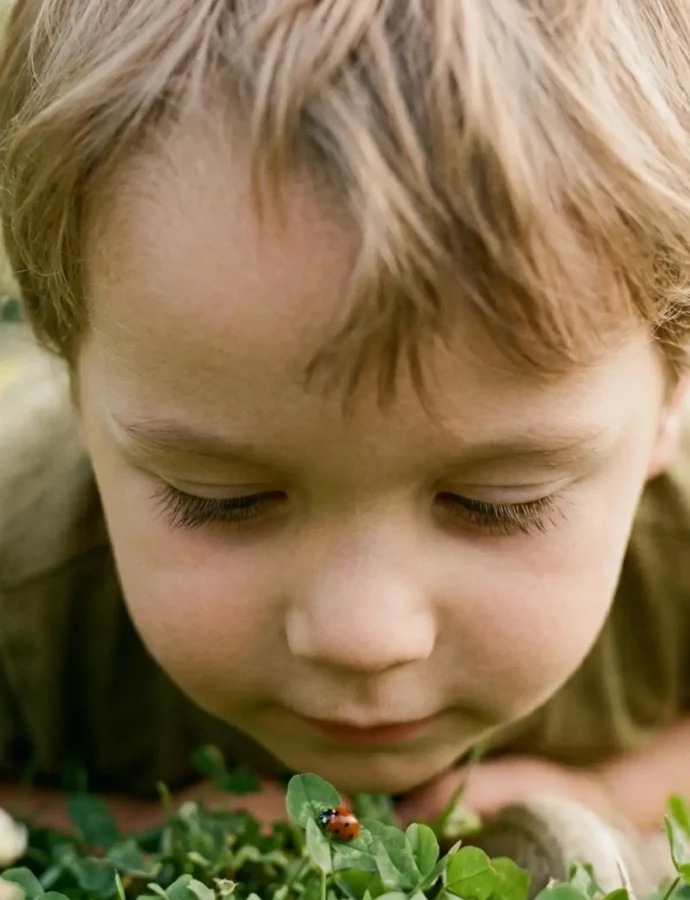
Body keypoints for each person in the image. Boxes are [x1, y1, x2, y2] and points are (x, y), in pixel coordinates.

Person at [0, 0, 689, 893]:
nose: (363, 636)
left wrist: (616, 791)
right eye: (220, 498)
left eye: (497, 503)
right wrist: (142, 831)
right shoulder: (22, 567)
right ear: (76, 388)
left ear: (672, 402)